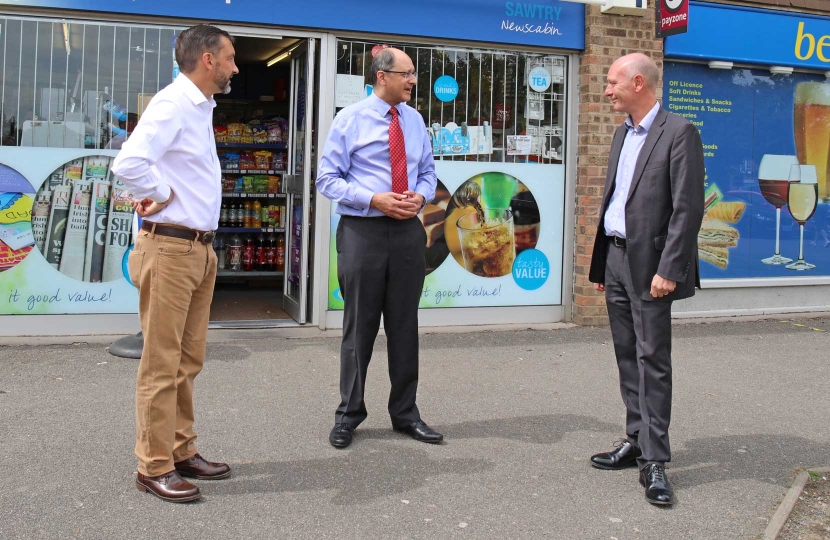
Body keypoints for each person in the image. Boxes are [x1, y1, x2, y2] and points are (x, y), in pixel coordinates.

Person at [111, 24, 239, 503]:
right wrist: (160, 195)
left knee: (186, 361)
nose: (233, 67)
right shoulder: (173, 103)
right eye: (229, 58)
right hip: (170, 248)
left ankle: (181, 451)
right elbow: (129, 163)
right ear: (208, 60)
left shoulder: (198, 106)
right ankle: (154, 466)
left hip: (194, 249)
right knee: (162, 364)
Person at [587, 53, 704, 506]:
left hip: (652, 268)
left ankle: (655, 459)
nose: (607, 90)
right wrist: (603, 266)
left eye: (613, 82)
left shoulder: (679, 132)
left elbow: (687, 209)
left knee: (652, 357)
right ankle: (635, 438)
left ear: (638, 83)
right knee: (626, 355)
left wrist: (669, 270)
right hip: (617, 261)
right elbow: (617, 200)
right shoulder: (621, 134)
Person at [316, 48, 441, 449]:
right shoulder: (348, 120)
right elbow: (327, 179)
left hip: (407, 233)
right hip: (363, 233)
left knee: (405, 326)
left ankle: (406, 414)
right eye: (406, 74)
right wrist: (374, 198)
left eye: (414, 74)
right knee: (359, 326)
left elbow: (427, 172)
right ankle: (349, 414)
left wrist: (420, 198)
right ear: (381, 76)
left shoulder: (415, 120)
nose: (413, 81)